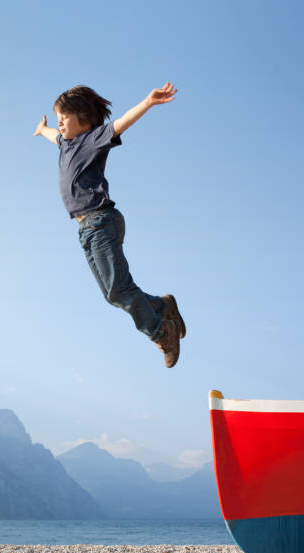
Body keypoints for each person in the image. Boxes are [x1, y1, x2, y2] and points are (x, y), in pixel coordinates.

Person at [34, 83, 186, 367]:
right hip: (85, 229)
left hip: (100, 221)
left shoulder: (92, 138)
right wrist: (43, 130)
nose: (60, 124)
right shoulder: (65, 143)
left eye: (64, 118)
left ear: (85, 120)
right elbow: (54, 135)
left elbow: (120, 123)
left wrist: (148, 102)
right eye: (58, 119)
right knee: (112, 293)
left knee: (119, 289)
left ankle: (162, 333)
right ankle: (163, 306)